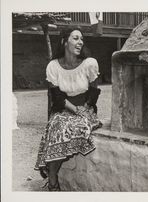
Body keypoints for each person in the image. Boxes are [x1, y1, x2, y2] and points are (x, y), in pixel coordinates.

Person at [34, 27, 102, 191]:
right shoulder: (53, 66)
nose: (80, 42)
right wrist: (74, 110)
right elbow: (57, 97)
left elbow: (93, 92)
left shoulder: (89, 63)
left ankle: (51, 177)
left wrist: (84, 109)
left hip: (86, 108)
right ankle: (52, 178)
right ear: (65, 41)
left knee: (68, 127)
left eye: (82, 39)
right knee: (56, 126)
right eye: (76, 38)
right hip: (63, 107)